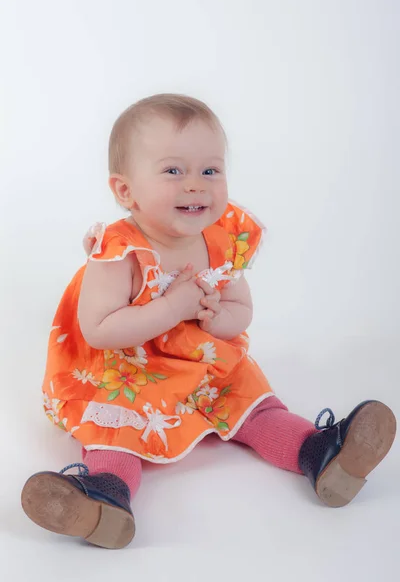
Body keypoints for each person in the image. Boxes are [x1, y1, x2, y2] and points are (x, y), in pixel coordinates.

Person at [21, 94, 396, 550]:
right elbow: (99, 329)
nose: (196, 185)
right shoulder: (119, 250)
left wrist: (218, 317)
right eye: (173, 171)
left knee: (254, 404)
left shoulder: (220, 238)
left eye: (210, 170)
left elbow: (241, 309)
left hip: (202, 360)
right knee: (117, 430)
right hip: (129, 366)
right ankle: (104, 497)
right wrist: (171, 309)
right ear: (125, 191)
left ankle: (322, 455)